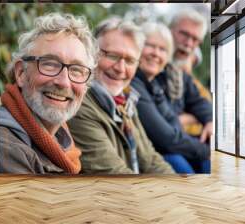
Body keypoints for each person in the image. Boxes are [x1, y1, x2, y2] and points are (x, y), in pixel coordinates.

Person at [67, 17, 174, 174]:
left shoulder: (125, 100)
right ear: (91, 54)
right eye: (112, 56)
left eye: (130, 60)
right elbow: (114, 175)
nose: (121, 69)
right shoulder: (79, 105)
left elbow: (150, 159)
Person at [0, 13, 98, 174]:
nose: (64, 82)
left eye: (77, 70)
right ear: (21, 73)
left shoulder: (62, 142)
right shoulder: (4, 149)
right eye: (50, 64)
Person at [131, 22, 210, 174]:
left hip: (172, 145)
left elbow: (172, 119)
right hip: (155, 153)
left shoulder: (152, 82)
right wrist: (205, 150)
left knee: (205, 162)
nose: (156, 53)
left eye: (162, 49)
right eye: (150, 46)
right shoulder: (135, 81)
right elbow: (165, 138)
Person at [156, 8, 213, 145]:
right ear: (169, 30)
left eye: (195, 39)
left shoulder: (181, 73)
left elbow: (199, 101)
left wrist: (210, 120)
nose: (188, 44)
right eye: (184, 34)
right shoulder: (152, 65)